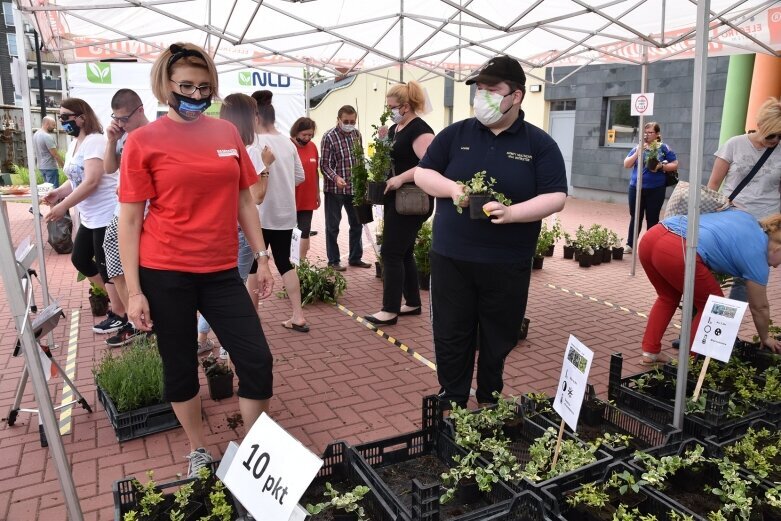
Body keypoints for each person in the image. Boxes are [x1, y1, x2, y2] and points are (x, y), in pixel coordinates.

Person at [118, 43, 274, 477]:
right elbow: (130, 221)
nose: (194, 93)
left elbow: (244, 200)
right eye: (185, 85)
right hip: (165, 271)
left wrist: (263, 258)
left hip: (221, 270)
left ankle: (254, 449)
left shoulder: (225, 134)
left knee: (257, 359)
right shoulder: (143, 141)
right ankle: (198, 449)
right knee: (180, 365)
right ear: (166, 85)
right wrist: (134, 292)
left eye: (203, 87)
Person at [414, 56, 567, 408]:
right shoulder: (457, 134)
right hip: (452, 255)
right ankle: (452, 396)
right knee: (452, 332)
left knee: (499, 334)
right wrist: (452, 189)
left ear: (517, 96)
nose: (482, 96)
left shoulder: (538, 144)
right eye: (479, 89)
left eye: (492, 89)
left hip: (506, 260)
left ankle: (488, 397)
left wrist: (513, 213)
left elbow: (556, 196)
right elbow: (424, 174)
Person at [639, 210, 781, 364]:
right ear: (778, 249)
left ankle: (650, 351)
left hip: (652, 236)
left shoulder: (748, 218)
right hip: (679, 250)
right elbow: (759, 307)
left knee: (667, 297)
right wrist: (765, 337)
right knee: (714, 307)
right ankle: (691, 364)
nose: (776, 267)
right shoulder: (757, 257)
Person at [197, 93, 275, 357]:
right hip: (240, 230)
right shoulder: (249, 151)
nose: (258, 118)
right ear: (248, 117)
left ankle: (203, 336)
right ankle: (225, 348)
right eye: (255, 113)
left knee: (218, 285)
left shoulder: (214, 146)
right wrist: (266, 167)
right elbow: (256, 196)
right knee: (233, 287)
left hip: (219, 227)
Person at [43, 98, 128, 335]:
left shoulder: (95, 141)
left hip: (106, 213)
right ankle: (120, 306)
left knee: (107, 266)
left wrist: (63, 207)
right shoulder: (75, 144)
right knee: (80, 259)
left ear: (81, 117)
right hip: (90, 216)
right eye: (59, 118)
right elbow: (76, 178)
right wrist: (58, 193)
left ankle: (121, 314)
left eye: (66, 117)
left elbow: (91, 181)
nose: (63, 122)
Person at [364, 81, 434, 326]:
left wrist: (400, 179)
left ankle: (389, 310)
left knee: (391, 252)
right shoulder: (397, 128)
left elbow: (429, 165)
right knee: (403, 252)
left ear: (405, 106)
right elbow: (391, 158)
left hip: (412, 199)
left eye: (392, 106)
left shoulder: (420, 131)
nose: (389, 110)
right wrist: (383, 140)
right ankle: (413, 302)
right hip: (399, 198)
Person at [706, 97, 781, 302]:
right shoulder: (734, 144)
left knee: (746, 280)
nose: (775, 140)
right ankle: (703, 320)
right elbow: (713, 186)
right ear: (760, 125)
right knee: (713, 271)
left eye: (780, 135)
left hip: (764, 225)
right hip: (730, 219)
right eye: (772, 134)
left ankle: (729, 329)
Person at [251, 90, 309, 333]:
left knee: (254, 266)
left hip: (259, 216)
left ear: (256, 118)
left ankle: (252, 316)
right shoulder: (288, 143)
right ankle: (298, 315)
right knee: (286, 264)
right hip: (286, 214)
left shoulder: (254, 144)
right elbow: (300, 177)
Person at [102, 89, 150, 347]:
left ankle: (141, 321)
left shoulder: (150, 136)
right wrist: (111, 140)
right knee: (116, 265)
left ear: (140, 110)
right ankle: (136, 320)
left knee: (130, 266)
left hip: (140, 213)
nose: (120, 123)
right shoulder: (123, 137)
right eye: (116, 119)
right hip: (122, 212)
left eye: (124, 118)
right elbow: (109, 168)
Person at [320, 105, 371, 271]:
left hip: (354, 188)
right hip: (335, 190)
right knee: (332, 226)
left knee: (357, 224)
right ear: (338, 120)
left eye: (352, 121)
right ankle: (333, 261)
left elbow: (360, 158)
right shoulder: (329, 137)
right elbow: (325, 165)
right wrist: (336, 178)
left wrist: (363, 180)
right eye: (346, 121)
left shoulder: (357, 134)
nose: (349, 124)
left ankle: (355, 257)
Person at [622, 122, 678, 254]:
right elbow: (626, 164)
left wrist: (661, 167)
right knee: (635, 216)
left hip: (655, 189)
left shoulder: (663, 148)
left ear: (657, 134)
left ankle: (650, 246)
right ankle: (630, 244)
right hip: (636, 188)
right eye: (645, 132)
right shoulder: (638, 147)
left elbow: (675, 164)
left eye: (650, 132)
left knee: (652, 218)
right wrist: (637, 153)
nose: (646, 135)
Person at [291, 117, 320, 260]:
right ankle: (288, 259)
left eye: (310, 135)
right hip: (291, 196)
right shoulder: (288, 145)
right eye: (304, 135)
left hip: (308, 196)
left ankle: (301, 262)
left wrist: (317, 193)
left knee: (305, 229)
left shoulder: (313, 147)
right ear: (296, 132)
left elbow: (315, 171)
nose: (307, 138)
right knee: (290, 230)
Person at [33, 116, 63, 187]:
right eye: (53, 125)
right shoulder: (47, 136)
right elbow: (55, 154)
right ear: (46, 124)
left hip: (41, 166)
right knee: (53, 190)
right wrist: (63, 165)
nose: (54, 127)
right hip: (50, 167)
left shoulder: (36, 134)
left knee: (46, 190)